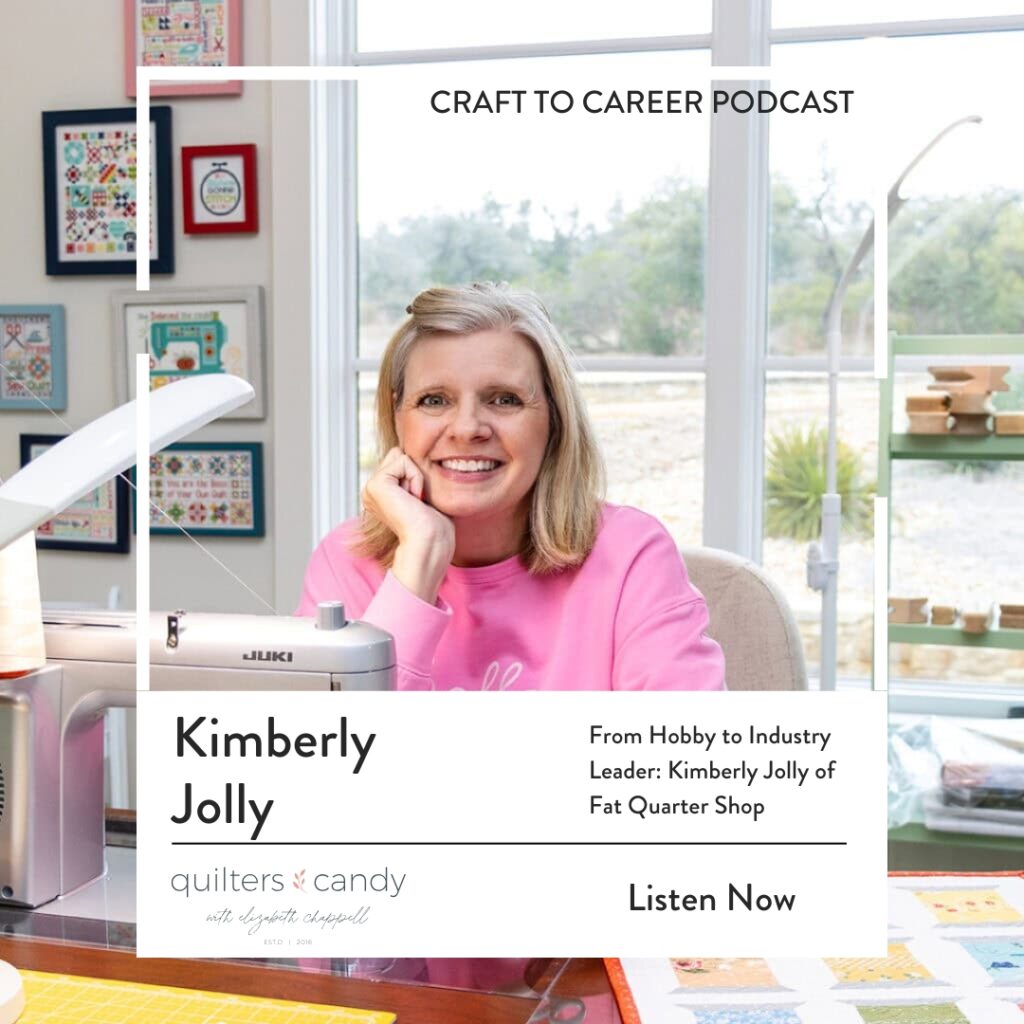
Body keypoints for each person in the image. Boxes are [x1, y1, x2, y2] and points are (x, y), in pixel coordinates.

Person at [297, 283, 725, 691]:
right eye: (434, 400)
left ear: (554, 419)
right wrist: (417, 563)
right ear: (397, 416)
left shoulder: (631, 554)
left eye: (504, 399)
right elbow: (329, 749)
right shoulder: (345, 560)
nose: (467, 429)